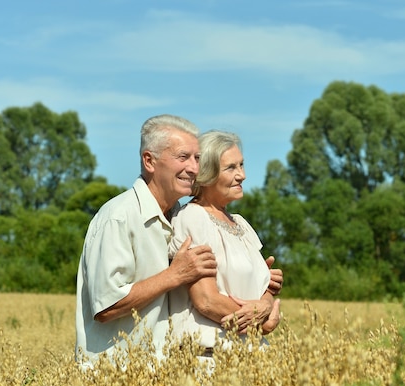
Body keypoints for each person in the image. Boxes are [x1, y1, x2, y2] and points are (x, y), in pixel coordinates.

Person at [74, 115, 282, 368]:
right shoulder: (119, 217)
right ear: (149, 161)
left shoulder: (175, 215)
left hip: (159, 371)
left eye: (197, 158)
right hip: (115, 374)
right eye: (183, 157)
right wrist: (175, 275)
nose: (194, 168)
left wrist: (265, 293)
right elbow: (106, 306)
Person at [167, 130, 280, 358]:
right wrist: (262, 322)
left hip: (253, 356)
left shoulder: (241, 224)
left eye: (241, 165)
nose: (242, 175)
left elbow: (265, 290)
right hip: (210, 358)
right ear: (207, 175)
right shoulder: (193, 217)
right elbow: (206, 301)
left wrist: (266, 304)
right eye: (231, 168)